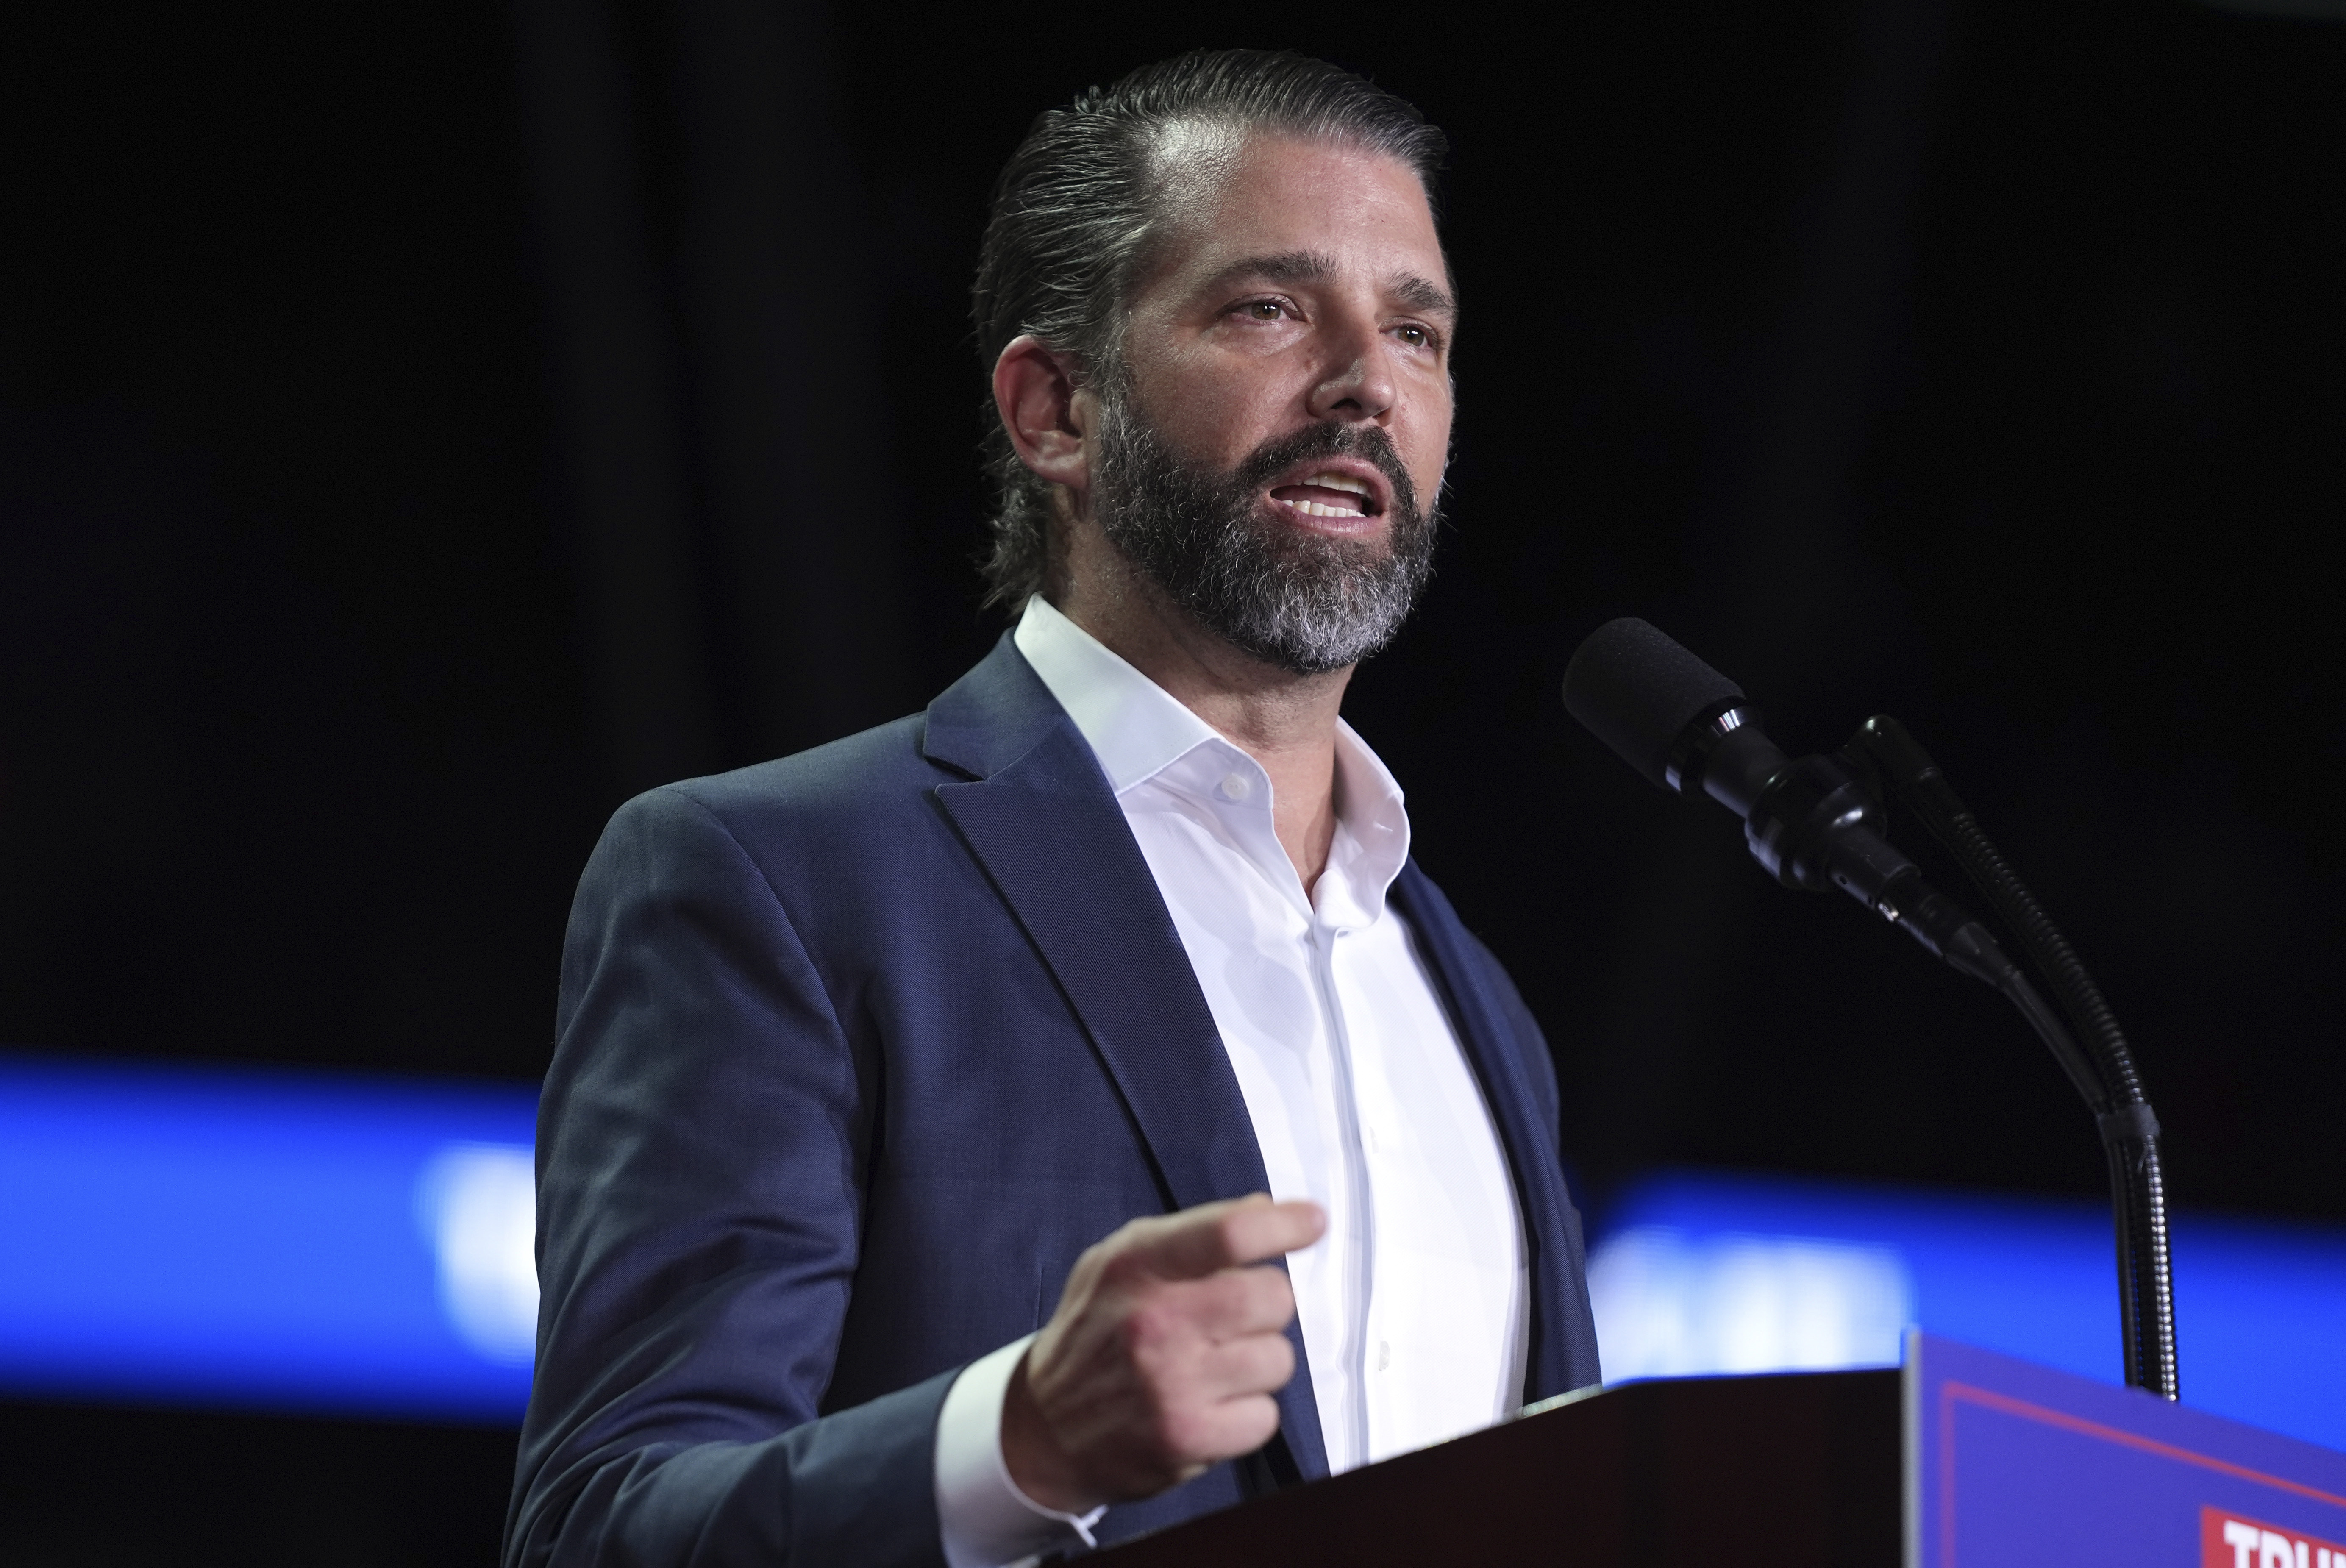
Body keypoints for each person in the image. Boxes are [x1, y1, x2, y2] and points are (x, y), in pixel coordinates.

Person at [506, 49, 1600, 1568]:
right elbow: (600, 1528)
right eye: (1272, 309)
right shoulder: (777, 880)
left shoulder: (1471, 996)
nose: (1366, 380)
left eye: (1417, 331)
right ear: (1055, 407)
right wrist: (1015, 1438)